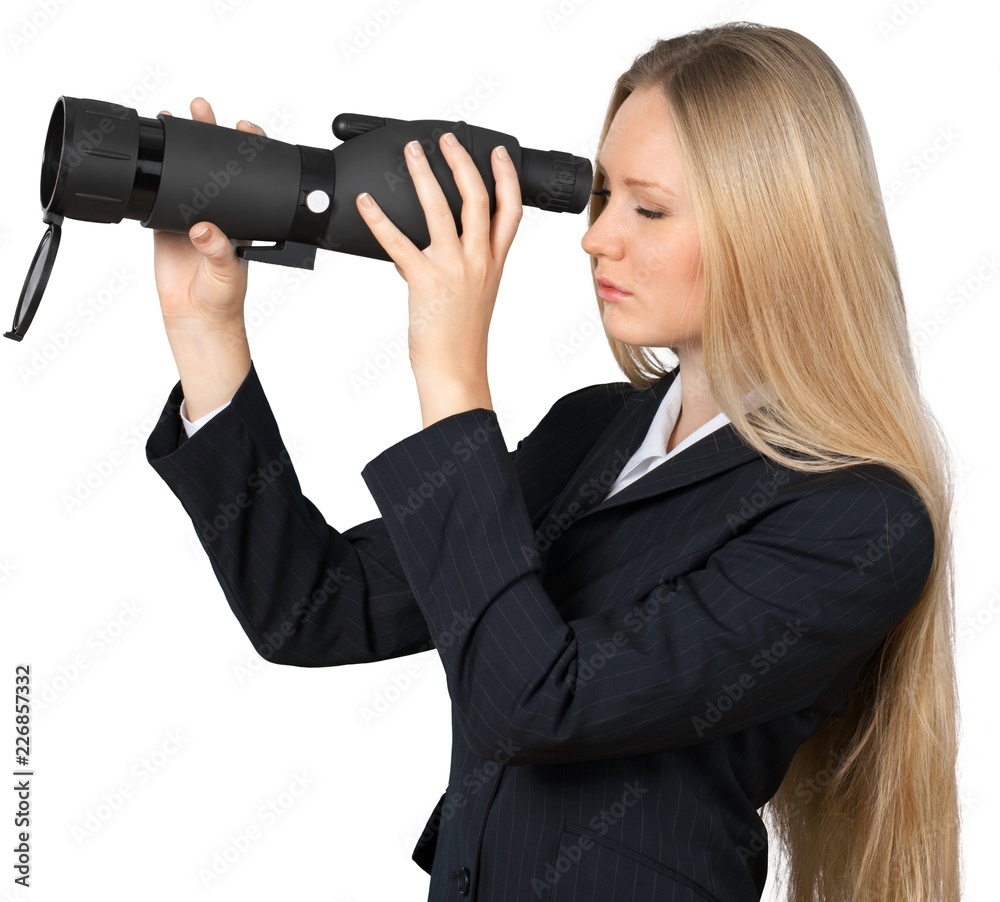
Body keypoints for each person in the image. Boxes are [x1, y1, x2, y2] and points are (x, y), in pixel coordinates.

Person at [144, 21, 960, 902]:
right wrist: (207, 330)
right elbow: (314, 607)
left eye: (646, 208)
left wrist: (451, 369)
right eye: (601, 196)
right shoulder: (591, 434)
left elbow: (537, 703)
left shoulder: (857, 519)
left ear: (773, 229)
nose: (594, 238)